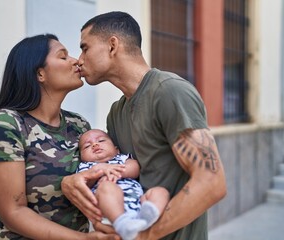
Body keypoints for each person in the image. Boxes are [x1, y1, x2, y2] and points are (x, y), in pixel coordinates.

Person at [61, 11, 227, 240]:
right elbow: (117, 171)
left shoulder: (169, 92)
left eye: (85, 48)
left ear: (112, 46)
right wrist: (71, 182)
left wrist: (144, 236)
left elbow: (212, 183)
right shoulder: (116, 113)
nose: (79, 59)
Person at [0, 34, 119, 240]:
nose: (76, 61)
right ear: (40, 73)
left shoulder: (78, 126)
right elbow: (13, 212)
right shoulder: (5, 125)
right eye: (63, 57)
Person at [77, 129, 169, 240]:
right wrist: (98, 171)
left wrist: (116, 172)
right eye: (87, 146)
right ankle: (123, 223)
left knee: (160, 191)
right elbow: (83, 186)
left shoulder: (122, 159)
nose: (95, 144)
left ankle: (149, 216)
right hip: (110, 214)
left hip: (138, 206)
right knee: (106, 186)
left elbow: (135, 168)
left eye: (101, 140)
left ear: (117, 150)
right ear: (81, 157)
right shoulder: (86, 167)